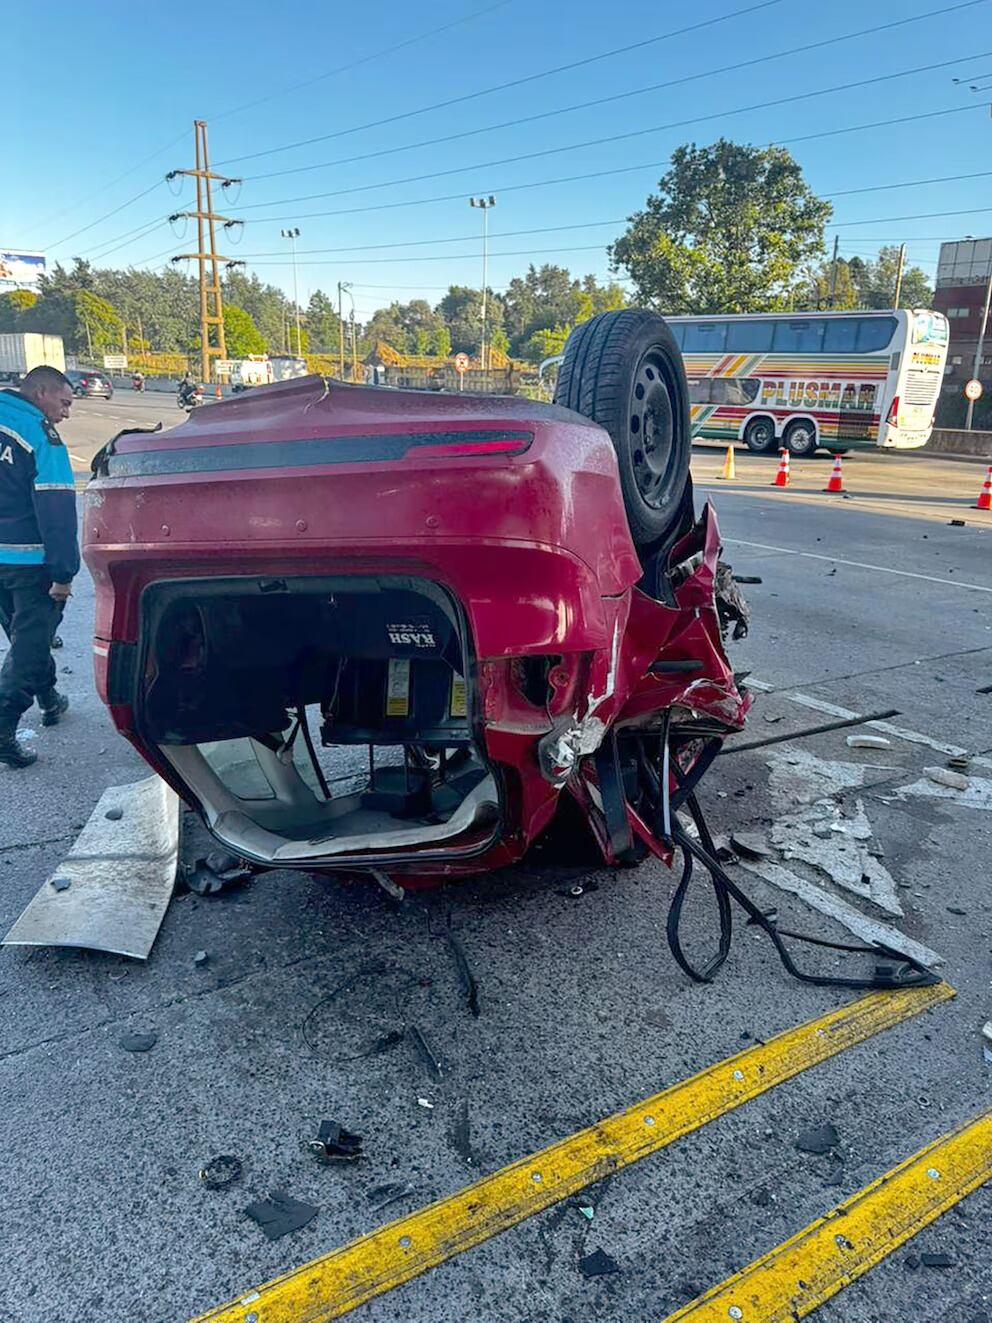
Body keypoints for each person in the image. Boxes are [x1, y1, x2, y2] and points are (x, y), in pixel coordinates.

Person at [0, 365, 79, 768]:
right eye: (64, 403)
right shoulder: (39, 434)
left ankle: (49, 698)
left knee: (27, 637)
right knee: (31, 643)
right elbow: (57, 507)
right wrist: (63, 573)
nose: (66, 413)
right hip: (29, 561)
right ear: (42, 392)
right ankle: (3, 724)